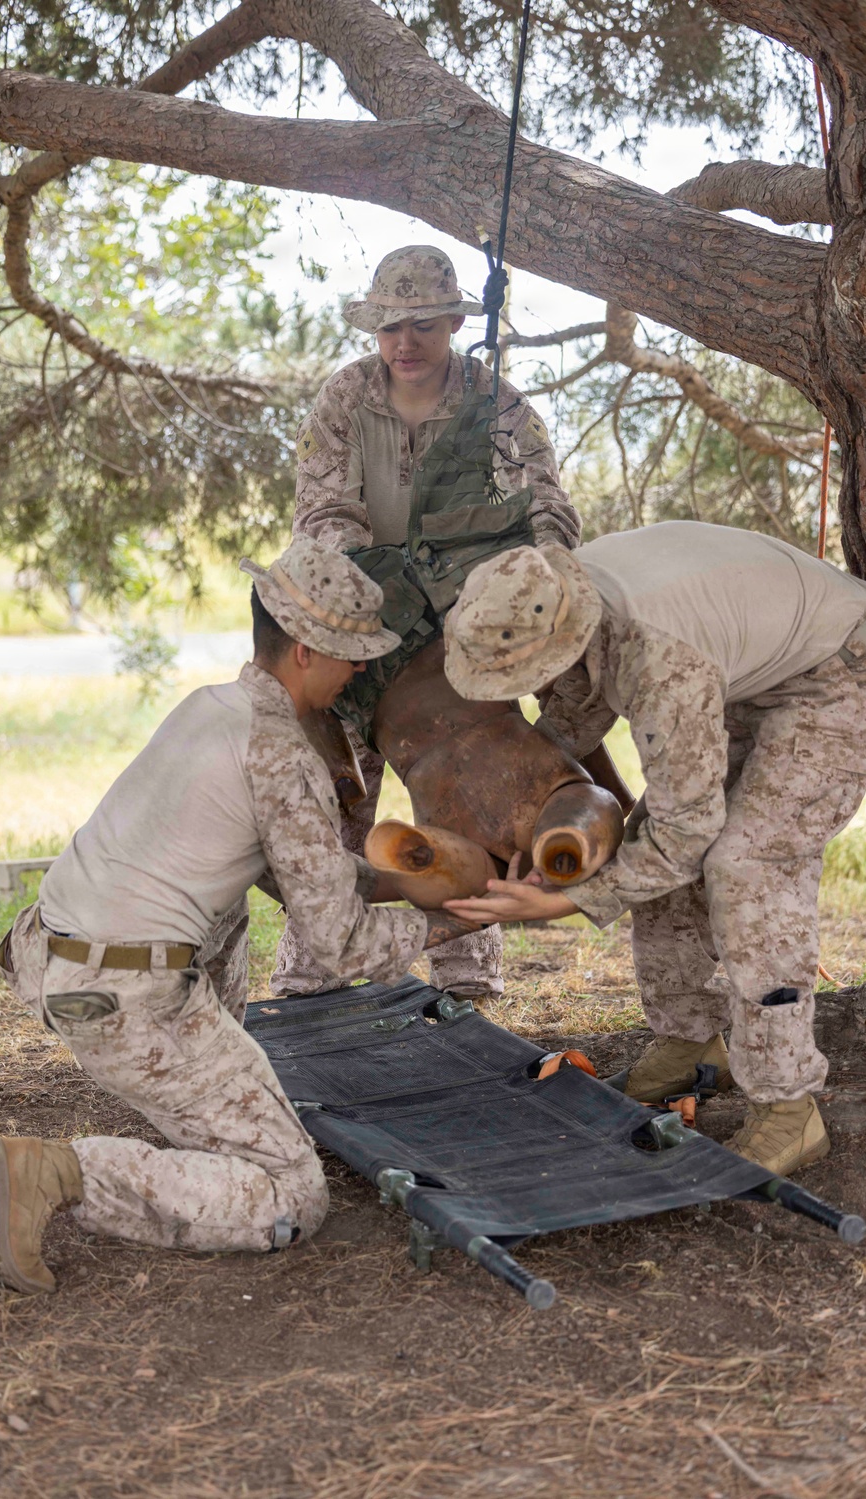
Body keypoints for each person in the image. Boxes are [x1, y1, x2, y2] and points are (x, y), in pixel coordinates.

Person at [0, 537, 477, 1295]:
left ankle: (204, 1084)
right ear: (305, 651)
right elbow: (338, 945)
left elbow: (302, 876)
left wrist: (409, 885)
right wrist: (455, 923)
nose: (363, 670)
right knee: (291, 1192)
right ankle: (59, 1172)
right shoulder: (280, 756)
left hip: (58, 953)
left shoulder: (213, 707)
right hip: (122, 999)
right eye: (351, 653)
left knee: (229, 904)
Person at [440, 522, 866, 1174]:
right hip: (758, 677)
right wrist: (529, 822)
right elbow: (573, 709)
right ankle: (692, 1043)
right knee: (657, 836)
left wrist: (569, 902)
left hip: (848, 670)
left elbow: (687, 835)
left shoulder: (661, 658)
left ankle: (789, 1104)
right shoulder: (559, 595)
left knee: (749, 862)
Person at [274, 243, 582, 1006]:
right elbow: (320, 511)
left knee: (462, 812)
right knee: (342, 812)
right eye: (388, 327)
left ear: (452, 321)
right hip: (360, 635)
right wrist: (372, 589)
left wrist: (538, 574)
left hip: (464, 643)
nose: (404, 343)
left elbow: (547, 507)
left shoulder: (497, 404)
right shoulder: (344, 398)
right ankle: (311, 986)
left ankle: (467, 987)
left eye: (421, 325)